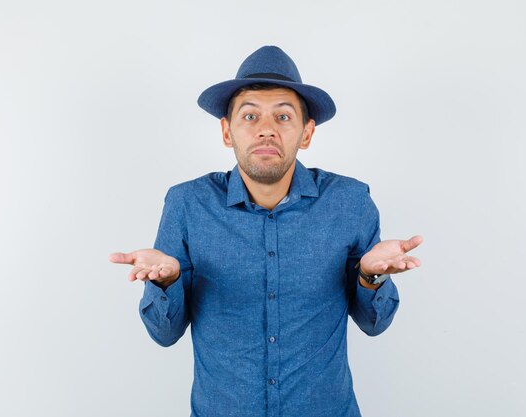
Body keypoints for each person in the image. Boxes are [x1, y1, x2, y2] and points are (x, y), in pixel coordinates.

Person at [110, 46, 423, 417]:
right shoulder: (187, 205)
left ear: (306, 133)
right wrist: (164, 284)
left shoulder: (350, 202)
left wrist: (370, 278)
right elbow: (165, 334)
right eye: (250, 115)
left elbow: (375, 324)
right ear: (227, 131)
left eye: (283, 116)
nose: (266, 129)